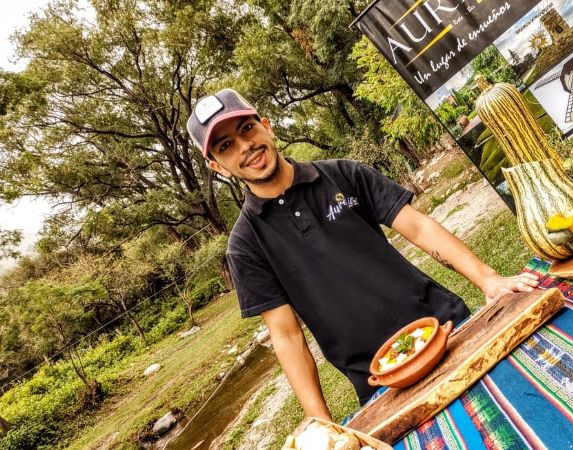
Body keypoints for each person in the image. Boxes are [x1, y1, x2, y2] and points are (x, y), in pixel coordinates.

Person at [186, 88, 540, 420]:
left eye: (247, 128)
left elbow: (418, 228)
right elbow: (287, 336)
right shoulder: (245, 246)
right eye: (226, 146)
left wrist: (488, 279)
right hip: (381, 383)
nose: (245, 146)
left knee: (529, 412)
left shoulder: (344, 174)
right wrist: (321, 420)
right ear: (218, 166)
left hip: (446, 329)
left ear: (267, 126)